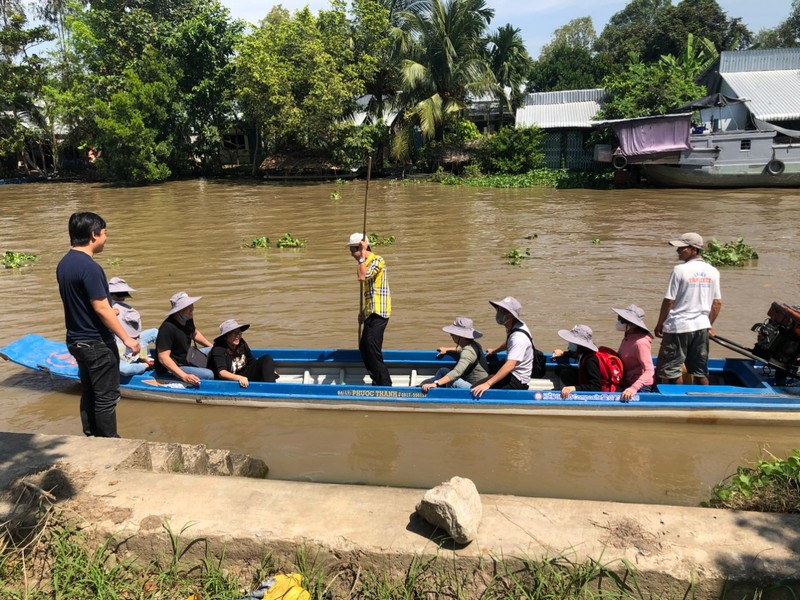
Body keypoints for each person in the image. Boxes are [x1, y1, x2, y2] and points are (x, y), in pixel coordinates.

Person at [56, 212, 140, 438]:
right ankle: (110, 441)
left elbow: (83, 302)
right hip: (96, 342)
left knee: (90, 391)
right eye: (104, 233)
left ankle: (91, 435)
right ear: (94, 235)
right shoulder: (90, 267)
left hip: (76, 340)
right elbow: (101, 308)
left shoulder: (64, 264)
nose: (106, 238)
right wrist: (127, 338)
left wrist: (109, 309)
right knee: (106, 396)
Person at [654, 233, 722, 385]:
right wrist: (708, 324)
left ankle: (677, 397)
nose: (678, 251)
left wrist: (660, 324)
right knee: (699, 371)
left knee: (673, 370)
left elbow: (669, 301)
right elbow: (717, 303)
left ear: (694, 249)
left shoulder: (680, 270)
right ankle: (704, 397)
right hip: (701, 327)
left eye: (682, 248)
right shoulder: (713, 271)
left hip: (678, 326)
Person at [348, 232, 392, 386]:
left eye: (353, 250)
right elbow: (369, 291)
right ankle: (376, 380)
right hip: (370, 311)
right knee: (364, 348)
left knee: (372, 348)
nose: (352, 254)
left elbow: (363, 277)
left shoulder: (378, 260)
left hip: (379, 311)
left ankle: (384, 384)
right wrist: (363, 312)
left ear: (360, 248)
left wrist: (362, 255)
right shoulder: (363, 263)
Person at [471, 296, 534, 398]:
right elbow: (509, 342)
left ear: (512, 316)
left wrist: (487, 384)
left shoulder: (518, 338)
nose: (499, 313)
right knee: (490, 367)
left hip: (517, 380)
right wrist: (495, 351)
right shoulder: (514, 326)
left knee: (474, 389)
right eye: (499, 310)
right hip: (513, 370)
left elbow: (510, 365)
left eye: (504, 311)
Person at [154, 291, 214, 385]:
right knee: (209, 374)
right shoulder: (167, 328)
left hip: (187, 356)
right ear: (178, 311)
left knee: (214, 350)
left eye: (191, 305)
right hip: (172, 367)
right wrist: (184, 376)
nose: (191, 309)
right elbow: (163, 358)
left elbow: (194, 333)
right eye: (187, 307)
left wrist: (212, 347)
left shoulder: (187, 319)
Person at [422, 317, 489, 391]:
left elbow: (456, 372)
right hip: (477, 382)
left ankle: (432, 389)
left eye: (452, 334)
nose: (451, 335)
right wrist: (447, 349)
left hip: (475, 388)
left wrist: (436, 383)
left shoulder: (468, 353)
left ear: (460, 336)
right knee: (443, 370)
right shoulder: (473, 344)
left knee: (450, 379)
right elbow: (460, 349)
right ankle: (428, 384)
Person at [109, 277, 158, 376]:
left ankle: (168, 357)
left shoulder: (123, 308)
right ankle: (146, 365)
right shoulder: (108, 308)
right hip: (119, 347)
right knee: (124, 369)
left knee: (154, 332)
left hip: (133, 341)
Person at [207, 319, 278, 387]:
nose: (237, 336)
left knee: (267, 358)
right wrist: (239, 378)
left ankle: (272, 387)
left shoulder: (241, 343)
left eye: (239, 332)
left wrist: (268, 370)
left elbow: (252, 362)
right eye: (234, 333)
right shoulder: (218, 349)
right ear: (225, 336)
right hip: (228, 381)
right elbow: (222, 373)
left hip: (244, 375)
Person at [612, 304, 655, 400]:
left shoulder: (640, 343)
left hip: (641, 386)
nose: (619, 322)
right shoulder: (628, 337)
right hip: (628, 380)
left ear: (633, 324)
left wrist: (633, 388)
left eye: (622, 320)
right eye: (619, 319)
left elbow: (649, 370)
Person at [552, 325, 602, 398]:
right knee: (559, 368)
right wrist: (563, 353)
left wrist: (574, 388)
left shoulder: (590, 361)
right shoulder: (584, 352)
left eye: (572, 342)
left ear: (579, 345)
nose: (569, 345)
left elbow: (596, 387)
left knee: (565, 374)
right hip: (584, 377)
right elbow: (574, 354)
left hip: (590, 386)